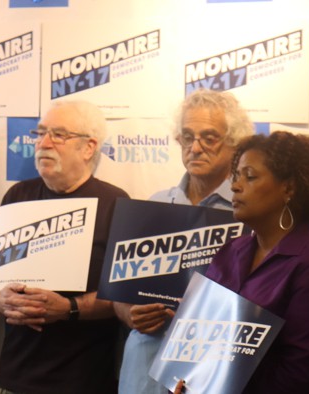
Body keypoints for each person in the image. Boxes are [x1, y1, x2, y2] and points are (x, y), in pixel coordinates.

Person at [114, 89, 254, 394]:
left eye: (209, 138)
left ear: (235, 144)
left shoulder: (250, 214)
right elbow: (121, 295)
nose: (195, 147)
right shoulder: (156, 204)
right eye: (187, 137)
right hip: (144, 369)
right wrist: (130, 314)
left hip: (212, 370)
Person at [0, 100, 128, 394]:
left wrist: (69, 308)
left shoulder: (116, 204)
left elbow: (121, 297)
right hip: (13, 379)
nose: (43, 143)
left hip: (82, 382)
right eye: (40, 133)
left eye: (59, 135)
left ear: (89, 147)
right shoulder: (17, 195)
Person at [203, 131, 309, 392]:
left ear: (289, 188)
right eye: (236, 176)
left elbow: (302, 374)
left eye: (249, 176)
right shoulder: (230, 251)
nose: (235, 186)